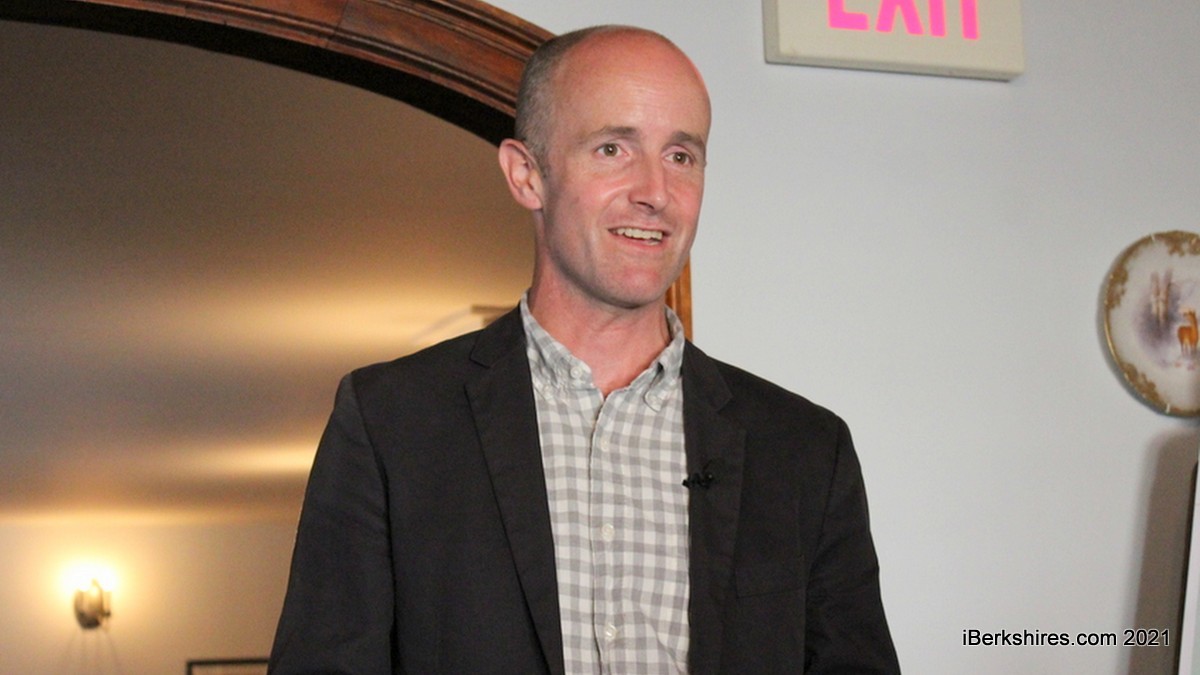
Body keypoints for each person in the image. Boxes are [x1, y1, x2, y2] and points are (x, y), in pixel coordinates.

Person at [269, 25, 899, 674]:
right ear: (526, 175)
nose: (655, 191)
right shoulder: (392, 422)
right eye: (612, 149)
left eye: (681, 155)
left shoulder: (803, 450)